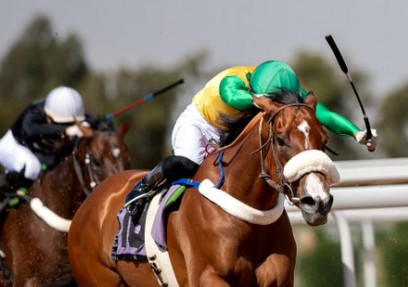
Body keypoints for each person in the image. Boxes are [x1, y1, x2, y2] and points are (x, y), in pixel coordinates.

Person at [124, 60, 377, 214]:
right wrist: (265, 103)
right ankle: (145, 188)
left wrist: (357, 132)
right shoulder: (232, 82)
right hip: (199, 126)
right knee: (190, 166)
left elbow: (320, 113)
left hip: (232, 130)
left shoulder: (283, 88)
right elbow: (233, 99)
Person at [0, 86, 94, 198]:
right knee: (32, 168)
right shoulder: (34, 112)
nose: (67, 127)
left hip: (42, 154)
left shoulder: (74, 113)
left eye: (71, 124)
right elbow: (30, 129)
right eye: (62, 124)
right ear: (49, 117)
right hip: (14, 146)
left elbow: (93, 122)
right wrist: (66, 130)